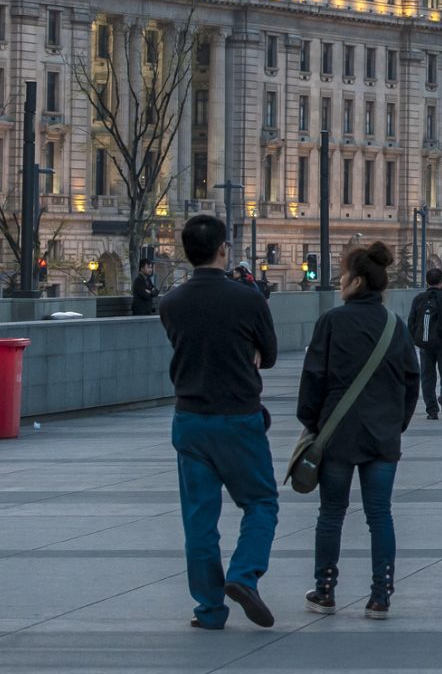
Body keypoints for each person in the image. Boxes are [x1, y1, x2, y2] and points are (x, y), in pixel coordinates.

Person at [156, 215, 280, 631]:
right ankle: (244, 576)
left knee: (199, 520)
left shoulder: (169, 303)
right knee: (261, 502)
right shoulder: (249, 299)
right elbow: (271, 352)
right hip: (238, 417)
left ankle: (209, 609)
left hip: (190, 419)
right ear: (224, 249)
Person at [297, 241, 418, 620]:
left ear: (358, 281)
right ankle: (380, 595)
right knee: (380, 515)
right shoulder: (394, 326)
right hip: (383, 435)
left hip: (338, 434)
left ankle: (325, 590)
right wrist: (396, 424)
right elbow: (412, 381)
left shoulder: (331, 322)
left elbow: (313, 379)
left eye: (344, 275)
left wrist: (314, 424)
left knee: (332, 513)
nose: (340, 281)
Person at [408, 268, 442, 421]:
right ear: (441, 281)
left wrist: (416, 340)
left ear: (426, 281)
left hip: (425, 344)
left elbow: (411, 322)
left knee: (427, 377)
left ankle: (432, 410)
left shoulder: (419, 299)